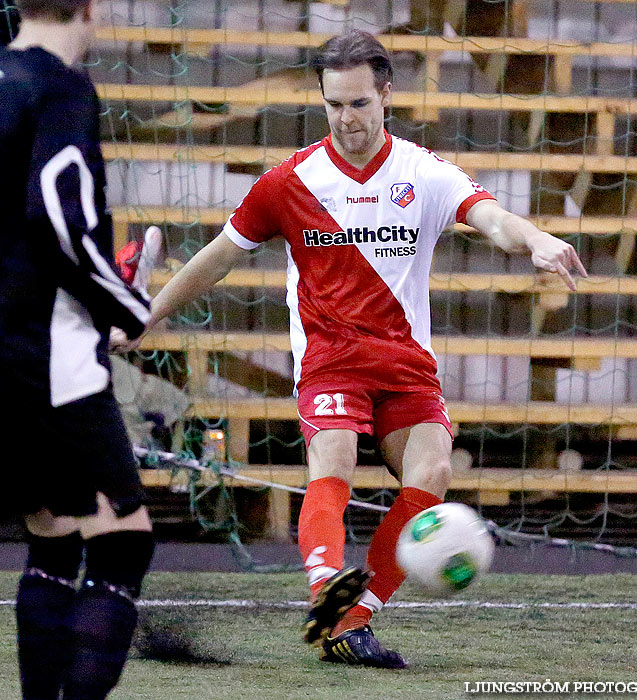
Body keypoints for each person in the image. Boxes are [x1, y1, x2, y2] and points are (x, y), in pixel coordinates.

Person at [119, 29, 586, 669]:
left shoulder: (423, 172)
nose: (347, 119)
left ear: (386, 94)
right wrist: (147, 315)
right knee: (333, 456)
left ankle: (352, 620)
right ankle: (327, 596)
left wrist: (534, 239)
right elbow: (216, 259)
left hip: (404, 364)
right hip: (330, 359)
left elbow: (493, 219)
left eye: (359, 104)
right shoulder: (290, 182)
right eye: (335, 104)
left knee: (433, 474)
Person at [0, 0, 155, 697]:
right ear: (89, 8)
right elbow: (58, 213)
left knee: (55, 540)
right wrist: (124, 305)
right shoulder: (61, 86)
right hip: (46, 359)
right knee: (123, 545)